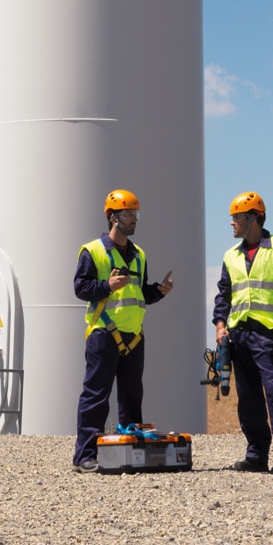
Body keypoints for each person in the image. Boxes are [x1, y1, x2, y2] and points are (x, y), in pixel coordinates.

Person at [71, 189, 175, 472]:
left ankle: (130, 453)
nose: (134, 219)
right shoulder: (92, 251)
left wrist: (159, 291)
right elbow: (81, 289)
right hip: (103, 334)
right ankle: (85, 456)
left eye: (135, 213)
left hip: (134, 336)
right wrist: (106, 286)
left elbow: (140, 293)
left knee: (131, 398)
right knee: (95, 397)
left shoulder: (139, 254)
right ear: (112, 217)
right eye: (128, 214)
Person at [212, 191, 273, 476]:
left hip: (270, 336)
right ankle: (256, 456)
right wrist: (220, 326)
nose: (232, 223)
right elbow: (223, 296)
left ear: (253, 218)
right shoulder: (230, 256)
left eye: (237, 218)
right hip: (238, 337)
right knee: (248, 398)